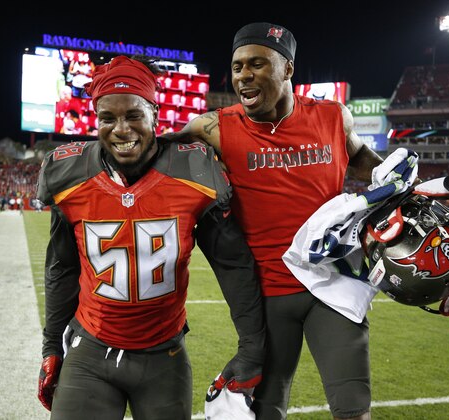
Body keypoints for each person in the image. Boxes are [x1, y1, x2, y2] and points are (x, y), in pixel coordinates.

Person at [162, 22, 386, 420]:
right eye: (236, 67)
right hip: (266, 295)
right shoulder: (215, 127)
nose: (243, 75)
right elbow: (153, 150)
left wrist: (407, 185)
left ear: (288, 70)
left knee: (353, 410)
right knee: (266, 410)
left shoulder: (334, 116)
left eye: (257, 64)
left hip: (331, 287)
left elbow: (370, 165)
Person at [35, 55, 265, 420]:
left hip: (163, 356)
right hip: (89, 351)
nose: (121, 129)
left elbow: (233, 265)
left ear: (156, 116)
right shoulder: (69, 175)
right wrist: (51, 347)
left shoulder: (194, 172)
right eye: (108, 118)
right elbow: (62, 269)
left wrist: (252, 348)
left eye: (134, 116)